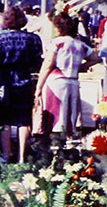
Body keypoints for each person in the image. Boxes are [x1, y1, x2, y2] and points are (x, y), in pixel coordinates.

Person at [0, 6, 43, 163]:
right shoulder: (33, 39)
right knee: (24, 120)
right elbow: (37, 61)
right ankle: (21, 156)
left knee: (5, 120)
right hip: (25, 80)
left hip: (5, 81)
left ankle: (6, 155)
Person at [35, 13, 98, 141]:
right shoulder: (80, 44)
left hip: (56, 82)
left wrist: (38, 87)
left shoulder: (57, 43)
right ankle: (67, 145)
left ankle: (53, 147)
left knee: (54, 117)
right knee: (69, 117)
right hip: (73, 82)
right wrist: (81, 67)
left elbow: (47, 65)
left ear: (58, 28)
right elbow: (96, 58)